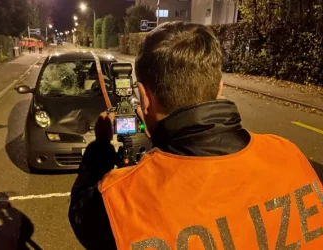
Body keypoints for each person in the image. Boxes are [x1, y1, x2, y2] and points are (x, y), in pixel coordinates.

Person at [68, 21, 323, 250]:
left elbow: (81, 213)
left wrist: (100, 146)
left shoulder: (119, 199)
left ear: (145, 97)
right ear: (219, 88)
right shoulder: (289, 155)